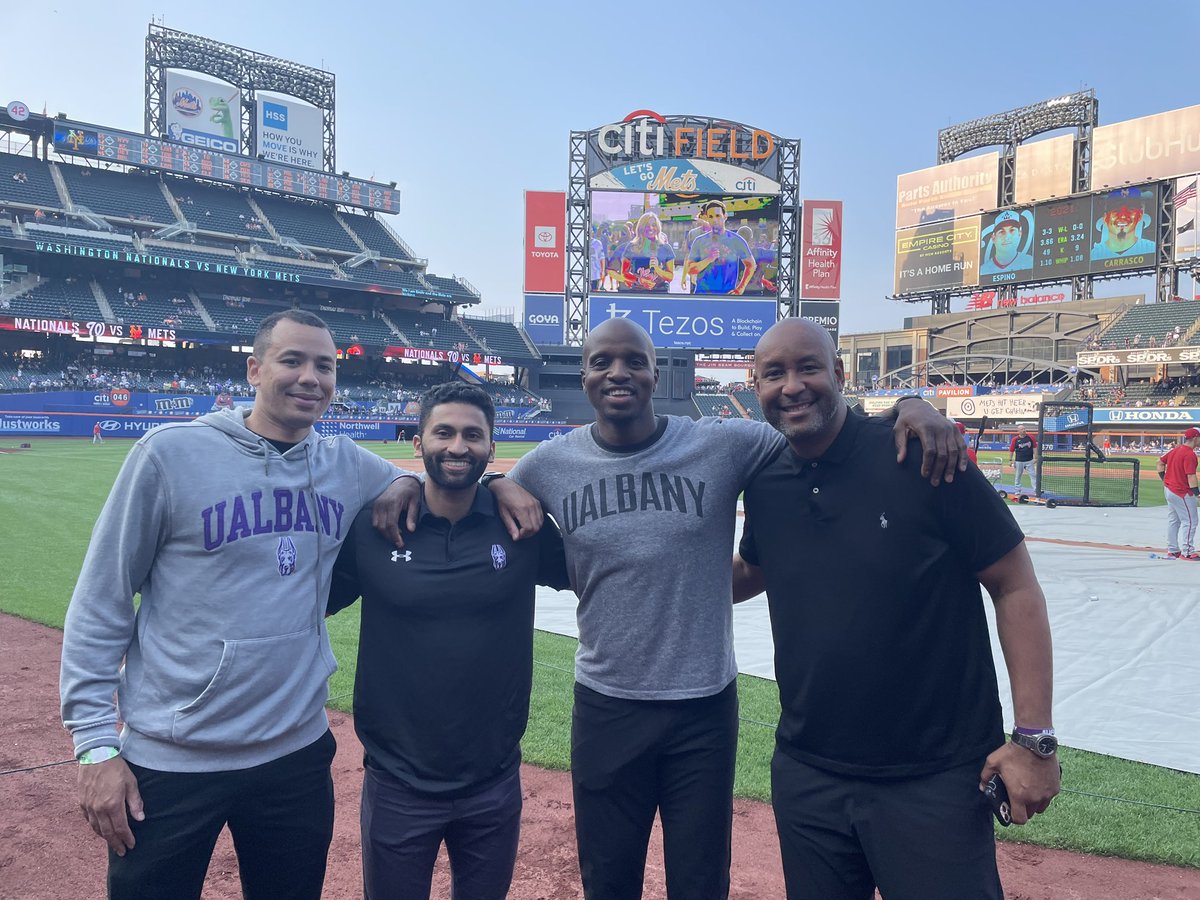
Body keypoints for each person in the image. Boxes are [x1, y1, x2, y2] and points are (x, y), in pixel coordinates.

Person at [475, 318, 965, 899]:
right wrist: (496, 480)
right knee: (607, 878)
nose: (618, 372)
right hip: (607, 706)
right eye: (601, 361)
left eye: (634, 360)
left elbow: (823, 428)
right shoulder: (552, 464)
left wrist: (911, 403)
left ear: (657, 373)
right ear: (583, 375)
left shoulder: (722, 442)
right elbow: (469, 496)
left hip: (703, 708)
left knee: (703, 881)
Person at [59, 310, 419, 900]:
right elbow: (101, 601)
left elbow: (413, 481)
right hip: (173, 759)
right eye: (292, 360)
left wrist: (405, 481)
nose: (311, 378)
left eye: (324, 366)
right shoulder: (169, 455)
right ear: (254, 369)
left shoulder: (343, 462)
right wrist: (96, 745)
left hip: (295, 755)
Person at [733, 318, 1060, 899]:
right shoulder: (765, 481)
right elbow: (753, 573)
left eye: (808, 367)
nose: (792, 386)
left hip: (934, 777)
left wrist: (1034, 739)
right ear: (754, 384)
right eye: (773, 374)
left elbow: (1015, 586)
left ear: (839, 373)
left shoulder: (924, 453)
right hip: (808, 771)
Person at [328, 382, 569, 899]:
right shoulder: (376, 526)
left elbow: (605, 571)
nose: (457, 447)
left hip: (493, 779)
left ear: (490, 445)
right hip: (397, 781)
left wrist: (505, 482)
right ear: (418, 443)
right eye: (443, 432)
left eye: (472, 435)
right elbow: (306, 603)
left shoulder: (521, 525)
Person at [685, 200, 756, 295]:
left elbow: (751, 264)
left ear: (725, 216)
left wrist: (740, 288)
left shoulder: (736, 240)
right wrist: (708, 259)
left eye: (718, 216)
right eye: (711, 216)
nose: (714, 219)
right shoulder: (699, 241)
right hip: (702, 296)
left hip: (727, 296)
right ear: (707, 218)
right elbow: (690, 269)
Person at [1157, 427, 1200, 560]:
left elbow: (1159, 463)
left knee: (1174, 520)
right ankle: (1187, 552)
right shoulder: (1190, 454)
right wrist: (1197, 493)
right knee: (1191, 521)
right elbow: (1191, 476)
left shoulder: (1176, 449)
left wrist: (1165, 479)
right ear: (1195, 438)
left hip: (1169, 489)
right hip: (1182, 492)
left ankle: (1173, 549)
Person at [614, 211, 675, 292]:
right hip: (637, 293)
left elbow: (670, 277)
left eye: (654, 225)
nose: (651, 228)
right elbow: (624, 273)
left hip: (660, 293)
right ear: (641, 228)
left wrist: (657, 269)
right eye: (647, 225)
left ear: (658, 227)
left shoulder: (666, 248)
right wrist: (639, 280)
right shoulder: (631, 247)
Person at [1090, 188, 1155, 261]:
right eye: (1116, 210)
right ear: (1105, 217)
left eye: (1130, 209)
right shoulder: (1094, 255)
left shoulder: (1150, 249)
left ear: (1140, 215)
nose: (1123, 216)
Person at [980, 210, 1034, 275]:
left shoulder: (1030, 262)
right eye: (1002, 232)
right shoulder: (983, 271)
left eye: (1012, 230)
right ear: (993, 238)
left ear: (1020, 234)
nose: (1007, 237)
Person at [1009, 424, 1038, 493]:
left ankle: (1036, 490)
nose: (1024, 430)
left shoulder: (1031, 437)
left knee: (1033, 475)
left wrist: (1036, 458)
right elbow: (1011, 450)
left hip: (1029, 460)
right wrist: (1010, 460)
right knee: (1018, 476)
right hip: (1019, 461)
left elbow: (1034, 447)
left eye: (1024, 429)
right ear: (1018, 431)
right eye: (1022, 429)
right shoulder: (1015, 439)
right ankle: (1017, 490)